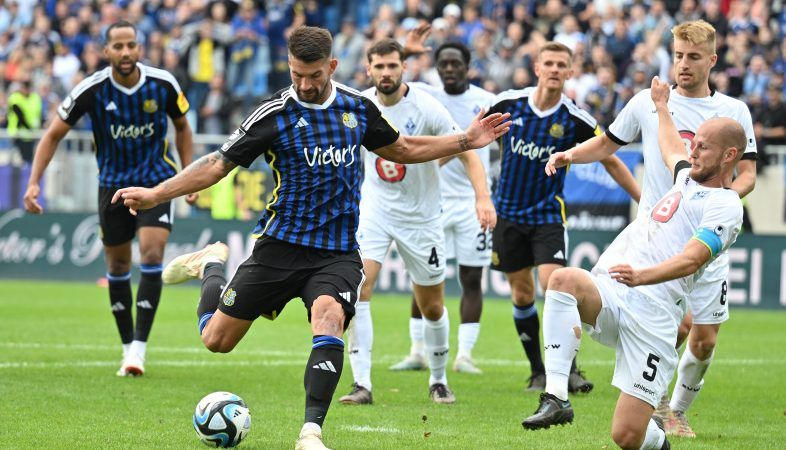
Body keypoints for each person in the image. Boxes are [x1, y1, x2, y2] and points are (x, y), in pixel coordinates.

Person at [111, 26, 510, 450]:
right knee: (216, 341)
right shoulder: (273, 114)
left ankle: (311, 432)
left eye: (314, 75)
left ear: (332, 67)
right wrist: (156, 193)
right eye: (296, 74)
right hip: (279, 246)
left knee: (330, 318)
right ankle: (211, 263)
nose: (304, 84)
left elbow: (404, 149)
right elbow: (216, 163)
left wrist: (467, 139)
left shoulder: (358, 109)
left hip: (336, 253)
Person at [549, 20, 758, 437]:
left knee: (703, 341)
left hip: (705, 234)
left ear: (712, 61)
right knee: (665, 323)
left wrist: (721, 202)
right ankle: (648, 394)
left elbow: (747, 173)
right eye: (678, 55)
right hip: (653, 236)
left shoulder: (733, 113)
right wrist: (570, 154)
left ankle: (675, 407)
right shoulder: (649, 102)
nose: (683, 64)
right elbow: (612, 143)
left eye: (693, 57)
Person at [22, 21, 196, 377]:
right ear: (106, 52)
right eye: (118, 46)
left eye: (131, 45)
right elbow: (53, 134)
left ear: (140, 48)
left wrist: (187, 177)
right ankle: (126, 345)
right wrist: (34, 182)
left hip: (156, 185)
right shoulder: (92, 89)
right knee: (118, 266)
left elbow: (182, 127)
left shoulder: (163, 84)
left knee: (151, 252)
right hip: (113, 189)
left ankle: (139, 351)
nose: (126, 52)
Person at [337, 39, 495, 407]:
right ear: (369, 68)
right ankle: (362, 384)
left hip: (422, 217)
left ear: (403, 67)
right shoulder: (359, 104)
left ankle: (438, 380)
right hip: (375, 211)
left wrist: (482, 197)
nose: (386, 73)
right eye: (380, 67)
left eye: (393, 66)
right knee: (360, 288)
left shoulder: (426, 107)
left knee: (433, 307)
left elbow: (468, 149)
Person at [485, 41, 641, 393]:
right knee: (522, 293)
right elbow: (472, 137)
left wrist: (643, 201)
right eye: (549, 63)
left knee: (553, 285)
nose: (555, 69)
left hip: (546, 217)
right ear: (537, 67)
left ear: (570, 72)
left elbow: (611, 160)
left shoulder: (575, 119)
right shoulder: (507, 104)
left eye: (562, 65)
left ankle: (568, 370)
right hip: (507, 214)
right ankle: (537, 371)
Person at [388, 42, 497, 375]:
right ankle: (417, 350)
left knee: (471, 277)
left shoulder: (486, 100)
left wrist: (486, 194)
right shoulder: (425, 96)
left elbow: (495, 144)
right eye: (443, 64)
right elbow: (391, 69)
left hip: (471, 202)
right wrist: (407, 47)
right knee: (424, 277)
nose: (449, 69)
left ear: (468, 65)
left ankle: (464, 354)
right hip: (432, 200)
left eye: (455, 63)